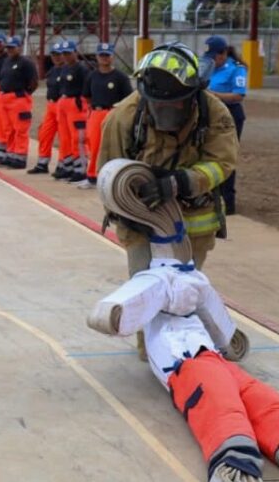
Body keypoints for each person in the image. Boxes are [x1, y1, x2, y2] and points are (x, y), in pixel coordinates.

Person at [88, 158, 279, 482]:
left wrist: (229, 341)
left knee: (257, 396)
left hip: (209, 355)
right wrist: (113, 314)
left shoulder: (192, 279)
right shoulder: (157, 281)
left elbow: (212, 312)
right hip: (181, 359)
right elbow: (121, 306)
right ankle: (233, 461)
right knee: (216, 401)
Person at [98, 41, 239, 362]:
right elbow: (108, 171)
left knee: (181, 292)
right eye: (159, 106)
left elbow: (223, 163)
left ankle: (183, 348)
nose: (167, 112)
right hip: (141, 222)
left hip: (195, 221)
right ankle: (155, 354)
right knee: (146, 289)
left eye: (175, 105)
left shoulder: (215, 113)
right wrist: (126, 210)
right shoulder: (124, 117)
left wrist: (180, 182)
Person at [76, 43, 132, 189]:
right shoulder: (92, 75)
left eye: (107, 55)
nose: (104, 58)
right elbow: (87, 96)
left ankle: (113, 177)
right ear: (97, 57)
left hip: (113, 113)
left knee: (113, 145)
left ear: (112, 57)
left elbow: (128, 99)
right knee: (94, 145)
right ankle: (92, 176)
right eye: (102, 55)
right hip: (96, 113)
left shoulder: (120, 77)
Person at [205, 35, 247, 215]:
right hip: (210, 114)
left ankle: (227, 202)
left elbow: (239, 95)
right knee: (208, 155)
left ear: (223, 54)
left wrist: (211, 95)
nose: (213, 59)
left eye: (216, 55)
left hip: (229, 116)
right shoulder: (207, 66)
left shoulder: (236, 69)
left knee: (226, 156)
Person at [0, 36, 38, 169]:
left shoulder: (26, 63)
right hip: (5, 99)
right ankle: (11, 154)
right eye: (8, 48)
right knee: (8, 129)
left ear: (19, 47)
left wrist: (25, 94)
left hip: (19, 99)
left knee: (20, 129)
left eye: (12, 48)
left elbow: (34, 82)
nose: (9, 50)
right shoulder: (7, 61)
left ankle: (20, 157)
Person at [53, 41, 90, 182]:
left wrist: (82, 102)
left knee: (77, 138)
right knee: (65, 137)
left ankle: (81, 169)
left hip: (76, 103)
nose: (66, 56)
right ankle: (68, 167)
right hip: (63, 102)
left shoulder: (82, 69)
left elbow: (87, 86)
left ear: (75, 52)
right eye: (64, 54)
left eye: (68, 53)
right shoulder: (65, 68)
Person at [27, 42, 65, 175]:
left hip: (63, 106)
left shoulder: (69, 69)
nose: (57, 57)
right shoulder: (53, 71)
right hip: (51, 105)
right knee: (44, 133)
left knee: (64, 136)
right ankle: (43, 163)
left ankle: (63, 164)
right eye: (54, 55)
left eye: (59, 55)